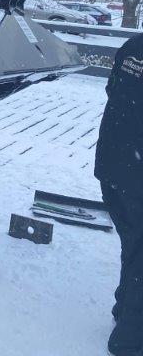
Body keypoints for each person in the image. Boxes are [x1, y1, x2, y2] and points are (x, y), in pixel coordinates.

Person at [96, 33, 143, 356]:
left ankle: (123, 307)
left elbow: (113, 89)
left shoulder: (133, 47)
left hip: (112, 164)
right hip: (136, 170)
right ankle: (129, 340)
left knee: (134, 244)